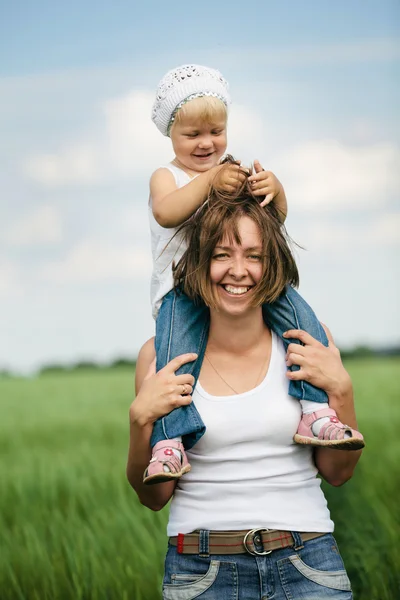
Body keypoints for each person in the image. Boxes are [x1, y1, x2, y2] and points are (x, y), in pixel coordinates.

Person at [127, 169, 362, 598]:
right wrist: (140, 420)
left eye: (254, 255)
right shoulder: (159, 355)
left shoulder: (310, 341)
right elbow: (153, 498)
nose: (239, 271)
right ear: (200, 260)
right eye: (222, 255)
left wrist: (342, 391)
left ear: (272, 262)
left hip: (309, 562)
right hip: (200, 571)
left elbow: (339, 473)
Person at [147, 64, 364, 484]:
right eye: (192, 135)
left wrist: (274, 187)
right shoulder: (167, 176)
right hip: (185, 293)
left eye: (216, 131)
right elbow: (166, 211)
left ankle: (315, 412)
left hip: (240, 287)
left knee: (304, 324)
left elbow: (271, 223)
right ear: (169, 133)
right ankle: (170, 441)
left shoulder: (228, 174)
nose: (206, 143)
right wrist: (211, 179)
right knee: (176, 365)